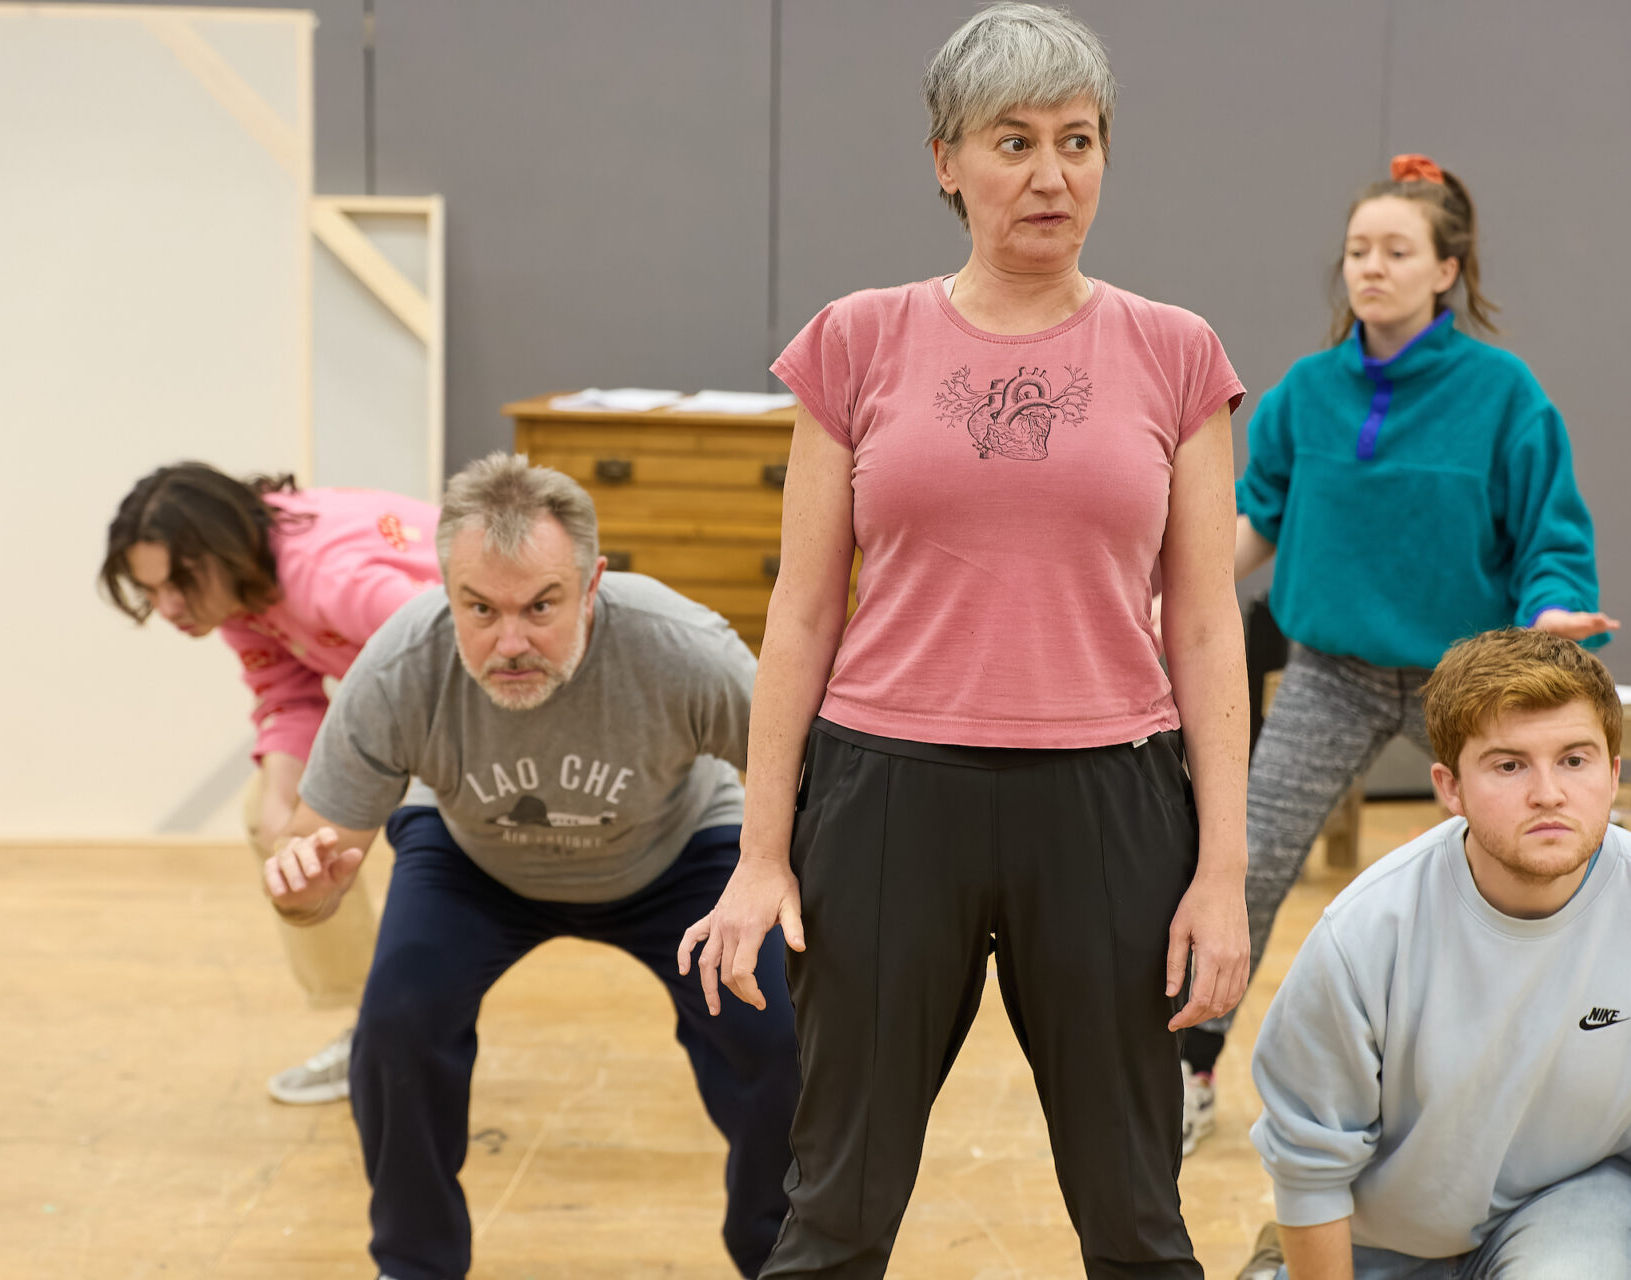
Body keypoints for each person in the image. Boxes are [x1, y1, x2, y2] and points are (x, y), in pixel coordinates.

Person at [679, 6, 1252, 1276]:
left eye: (1079, 140)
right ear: (947, 160)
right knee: (834, 1209)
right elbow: (803, 612)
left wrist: (1222, 871)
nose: (1052, 175)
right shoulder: (858, 339)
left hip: (1110, 800)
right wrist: (760, 851)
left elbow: (1208, 626)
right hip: (887, 797)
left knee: (1138, 1219)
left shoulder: (1175, 351)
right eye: (1013, 141)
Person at [261, 453, 799, 1280]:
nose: (509, 641)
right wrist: (311, 895)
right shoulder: (402, 665)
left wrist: (774, 879)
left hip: (676, 853)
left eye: (541, 606)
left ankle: (782, 1260)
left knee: (777, 1037)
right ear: (446, 590)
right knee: (395, 1027)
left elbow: (802, 786)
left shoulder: (681, 647)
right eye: (480, 608)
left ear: (593, 586)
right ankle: (414, 1264)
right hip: (473, 862)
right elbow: (314, 865)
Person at [1178, 153, 1621, 1152]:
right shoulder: (1303, 393)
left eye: (1395, 251)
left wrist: (1552, 612)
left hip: (1467, 678)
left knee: (1531, 864)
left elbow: (1553, 539)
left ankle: (1561, 1074)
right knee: (1237, 861)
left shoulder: (1506, 395)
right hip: (1330, 671)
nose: (1369, 268)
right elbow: (1258, 525)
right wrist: (1175, 589)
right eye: (1356, 250)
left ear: (1446, 269)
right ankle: (1190, 1069)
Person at [1237, 627, 1631, 1279]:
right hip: (1387, 1237)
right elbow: (1310, 1159)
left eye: (1575, 760)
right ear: (1451, 787)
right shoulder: (1364, 932)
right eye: (1509, 765)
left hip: (1576, 1205)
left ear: (1614, 774)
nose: (1548, 793)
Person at [100, 462, 440, 1103]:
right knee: (272, 815)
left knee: (421, 830)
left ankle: (410, 1024)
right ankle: (372, 1023)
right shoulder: (237, 587)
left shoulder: (330, 579)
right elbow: (285, 691)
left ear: (220, 551)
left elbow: (464, 643)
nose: (168, 609)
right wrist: (283, 799)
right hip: (409, 705)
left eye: (178, 585)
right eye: (151, 590)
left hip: (486, 700)